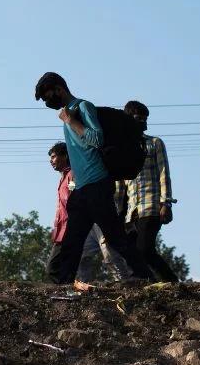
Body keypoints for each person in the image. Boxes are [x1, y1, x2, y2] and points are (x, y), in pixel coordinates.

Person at [35, 72, 154, 284]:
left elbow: (96, 138)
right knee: (73, 239)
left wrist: (71, 121)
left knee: (115, 236)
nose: (47, 102)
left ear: (59, 89)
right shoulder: (68, 116)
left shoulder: (82, 107)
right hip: (82, 187)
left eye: (47, 96)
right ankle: (63, 283)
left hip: (97, 182)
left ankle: (144, 275)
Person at [45, 142, 129, 283]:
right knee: (82, 256)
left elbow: (75, 195)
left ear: (65, 156)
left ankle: (125, 282)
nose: (51, 161)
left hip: (91, 220)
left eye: (54, 157)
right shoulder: (63, 178)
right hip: (74, 225)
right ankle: (81, 285)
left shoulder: (74, 174)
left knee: (109, 252)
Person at [115, 100, 180, 282]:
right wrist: (119, 210)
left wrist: (166, 202)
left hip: (151, 204)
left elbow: (163, 173)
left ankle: (164, 281)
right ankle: (158, 281)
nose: (143, 123)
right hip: (131, 211)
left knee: (144, 248)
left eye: (145, 119)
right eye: (138, 118)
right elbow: (120, 182)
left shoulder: (155, 143)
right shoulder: (122, 148)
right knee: (134, 250)